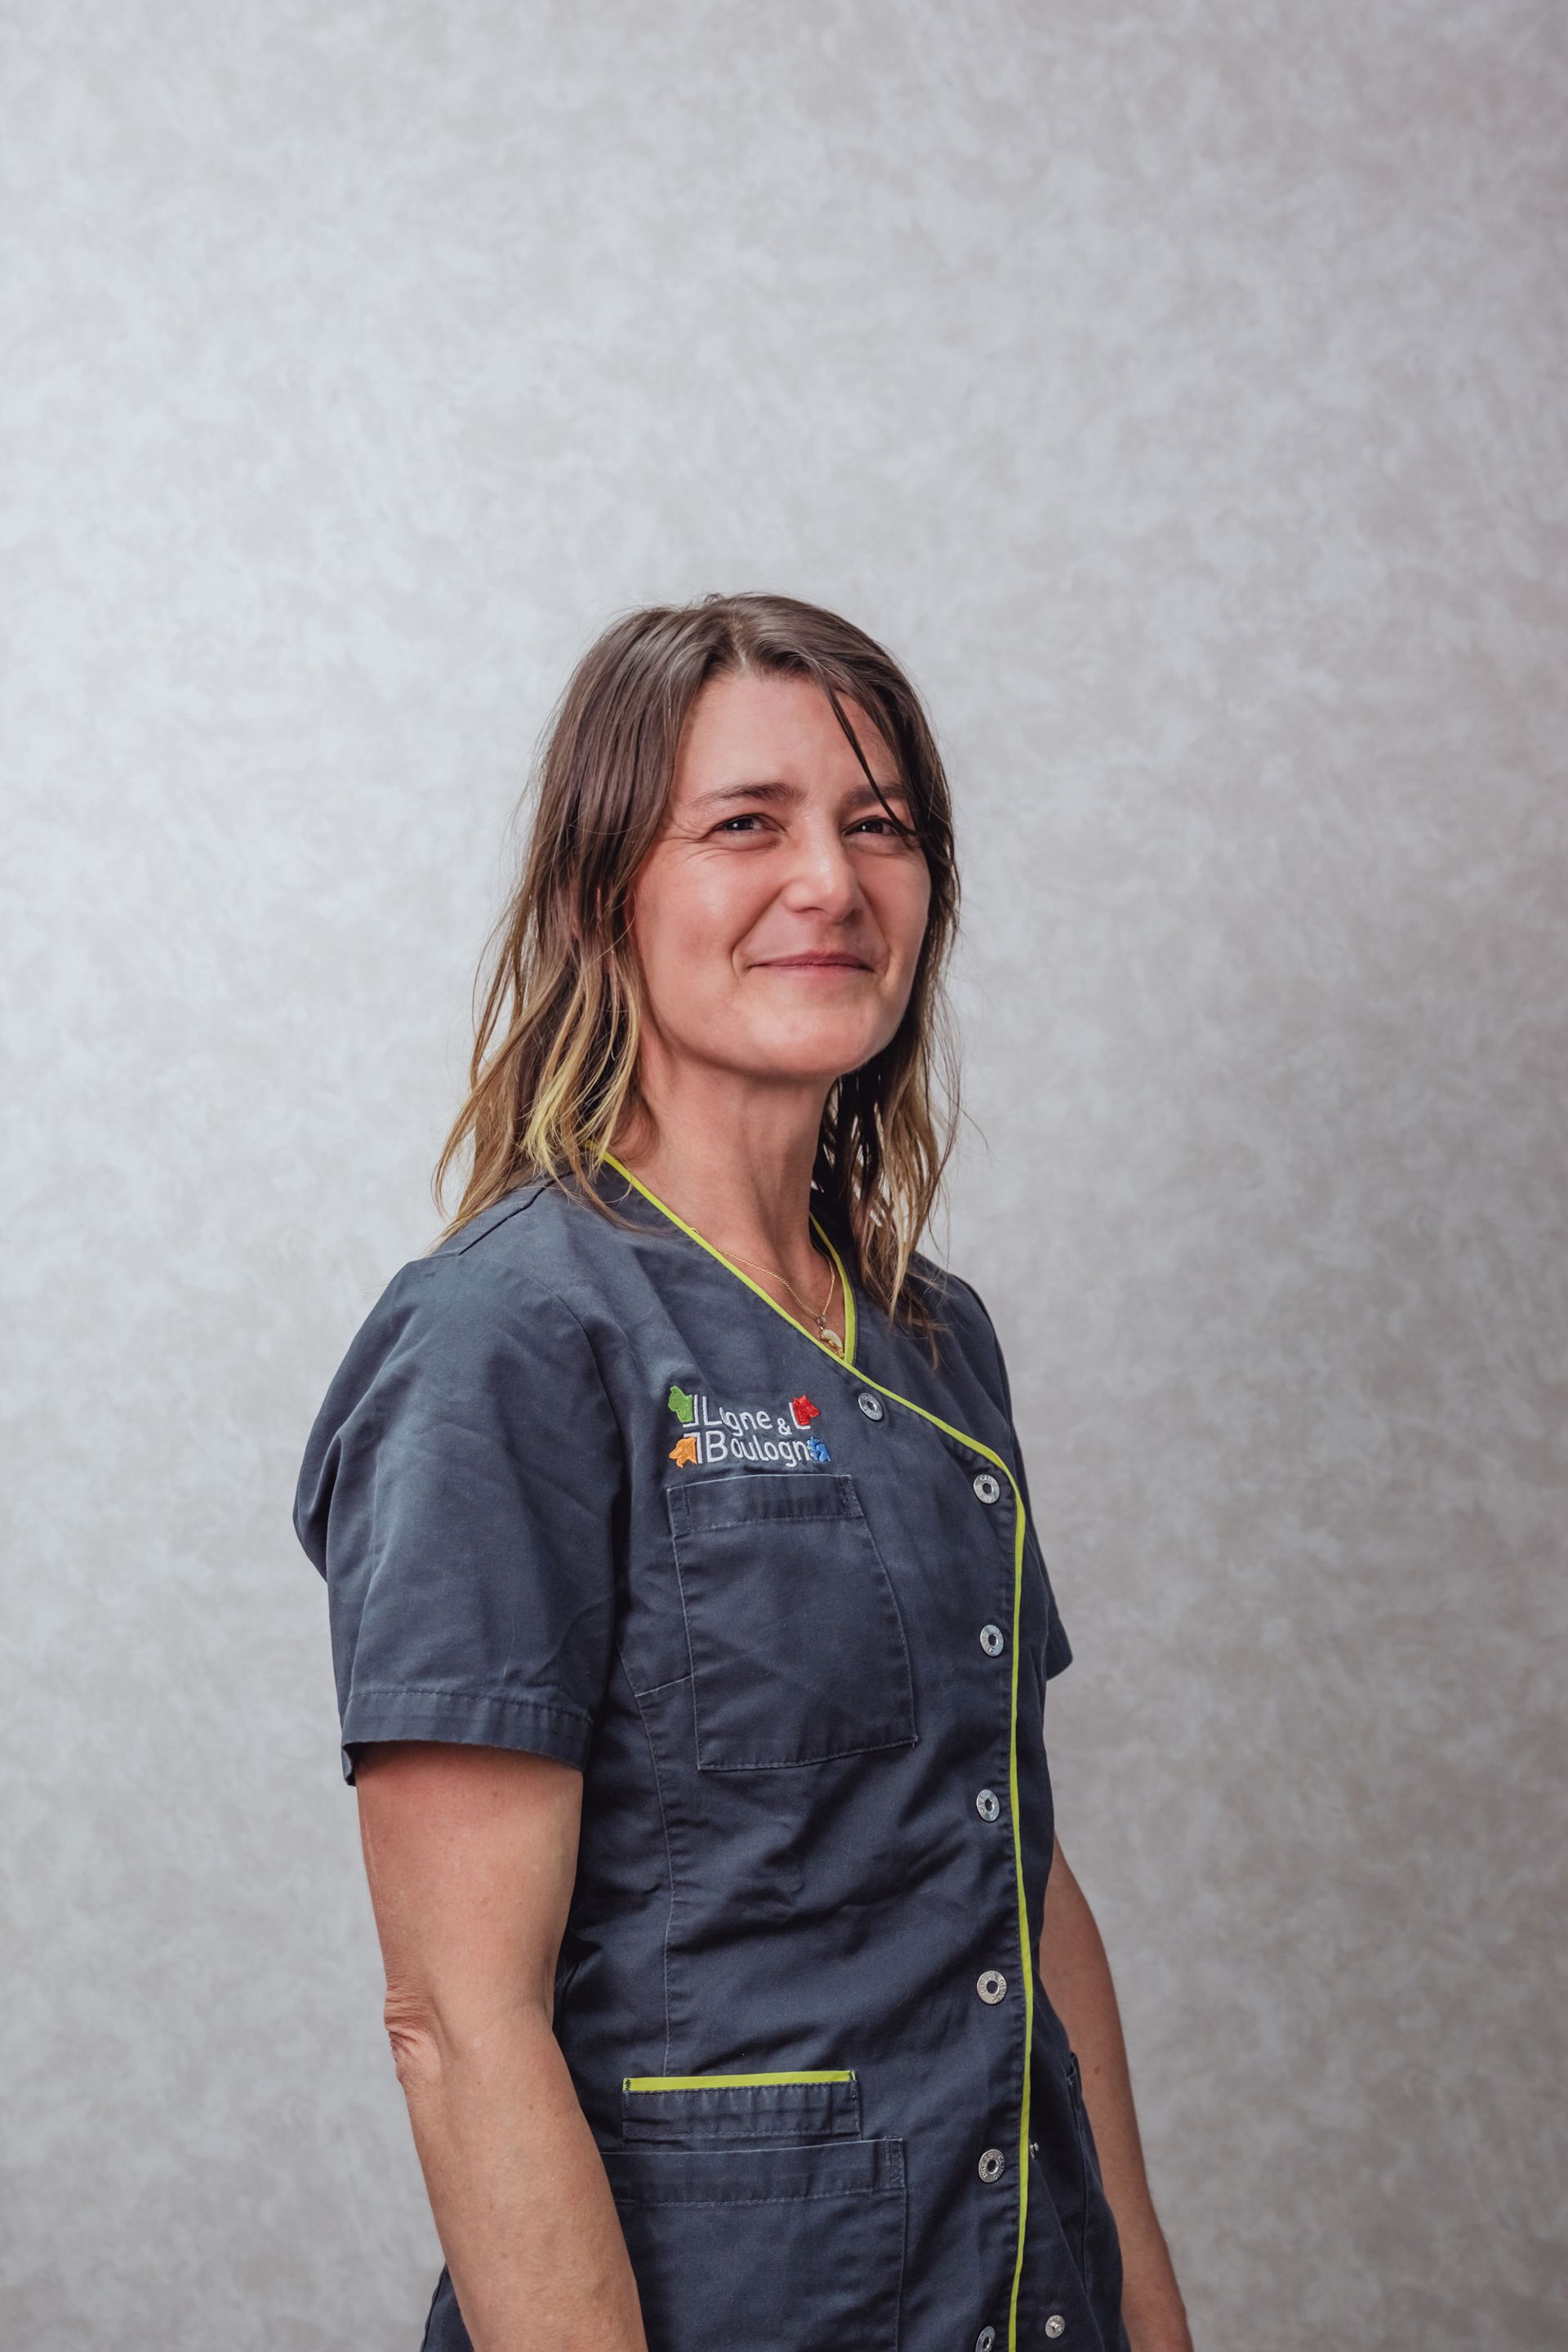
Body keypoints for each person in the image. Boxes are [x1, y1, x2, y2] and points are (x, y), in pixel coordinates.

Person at [292, 591, 1192, 2352]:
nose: (832, 886)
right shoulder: (507, 1343)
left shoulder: (937, 1340)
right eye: (745, 826)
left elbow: (1020, 1865)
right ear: (597, 894)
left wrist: (1148, 2319)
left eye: (881, 829)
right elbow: (458, 2016)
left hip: (1015, 2293)